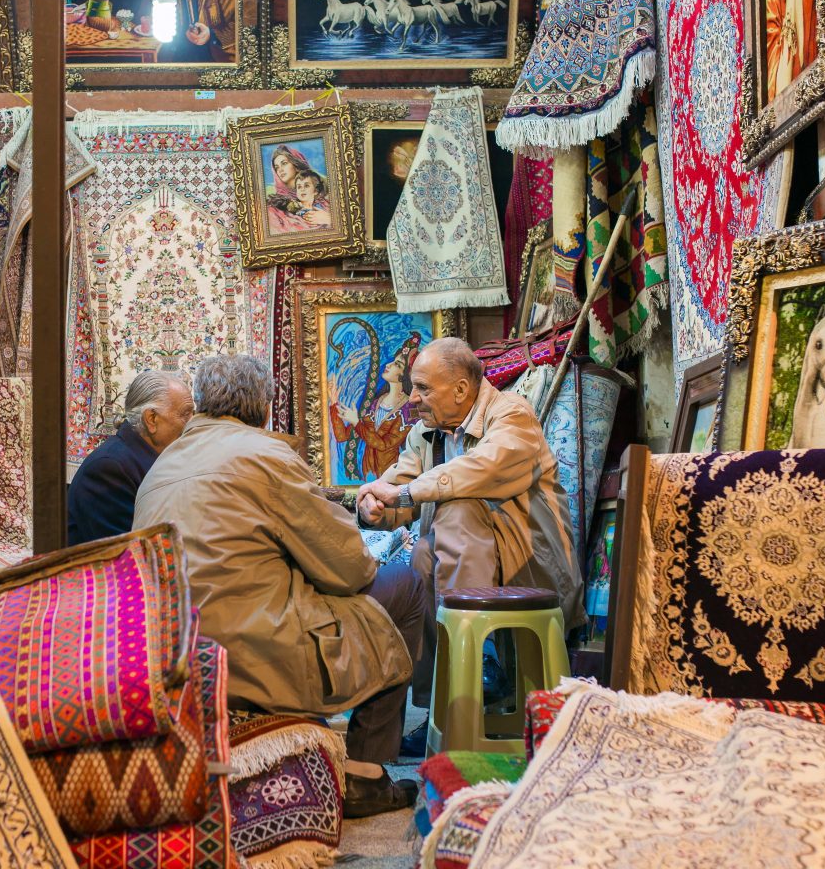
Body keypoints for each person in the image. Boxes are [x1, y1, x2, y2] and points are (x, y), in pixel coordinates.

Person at [134, 355, 424, 817]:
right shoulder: (266, 456)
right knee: (406, 581)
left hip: (174, 652)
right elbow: (349, 569)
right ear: (265, 406)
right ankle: (365, 772)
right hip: (253, 648)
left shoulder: (161, 467)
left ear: (204, 404)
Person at [356, 337, 576, 755]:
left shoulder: (512, 415)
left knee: (456, 506)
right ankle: (449, 702)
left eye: (423, 388)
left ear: (460, 389)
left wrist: (402, 496)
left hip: (529, 564)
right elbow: (401, 486)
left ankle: (480, 662)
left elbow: (482, 469)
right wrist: (374, 506)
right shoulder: (425, 434)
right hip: (463, 562)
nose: (413, 399)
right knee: (419, 557)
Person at [66, 371, 193, 546]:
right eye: (185, 414)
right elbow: (129, 552)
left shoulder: (155, 456)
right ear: (151, 419)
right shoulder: (108, 469)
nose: (192, 423)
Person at [330, 333, 422, 482]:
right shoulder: (376, 403)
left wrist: (357, 423)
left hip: (390, 480)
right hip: (367, 476)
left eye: (397, 364)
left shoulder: (408, 410)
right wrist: (334, 403)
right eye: (393, 361)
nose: (388, 365)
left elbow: (383, 444)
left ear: (405, 375)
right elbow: (342, 437)